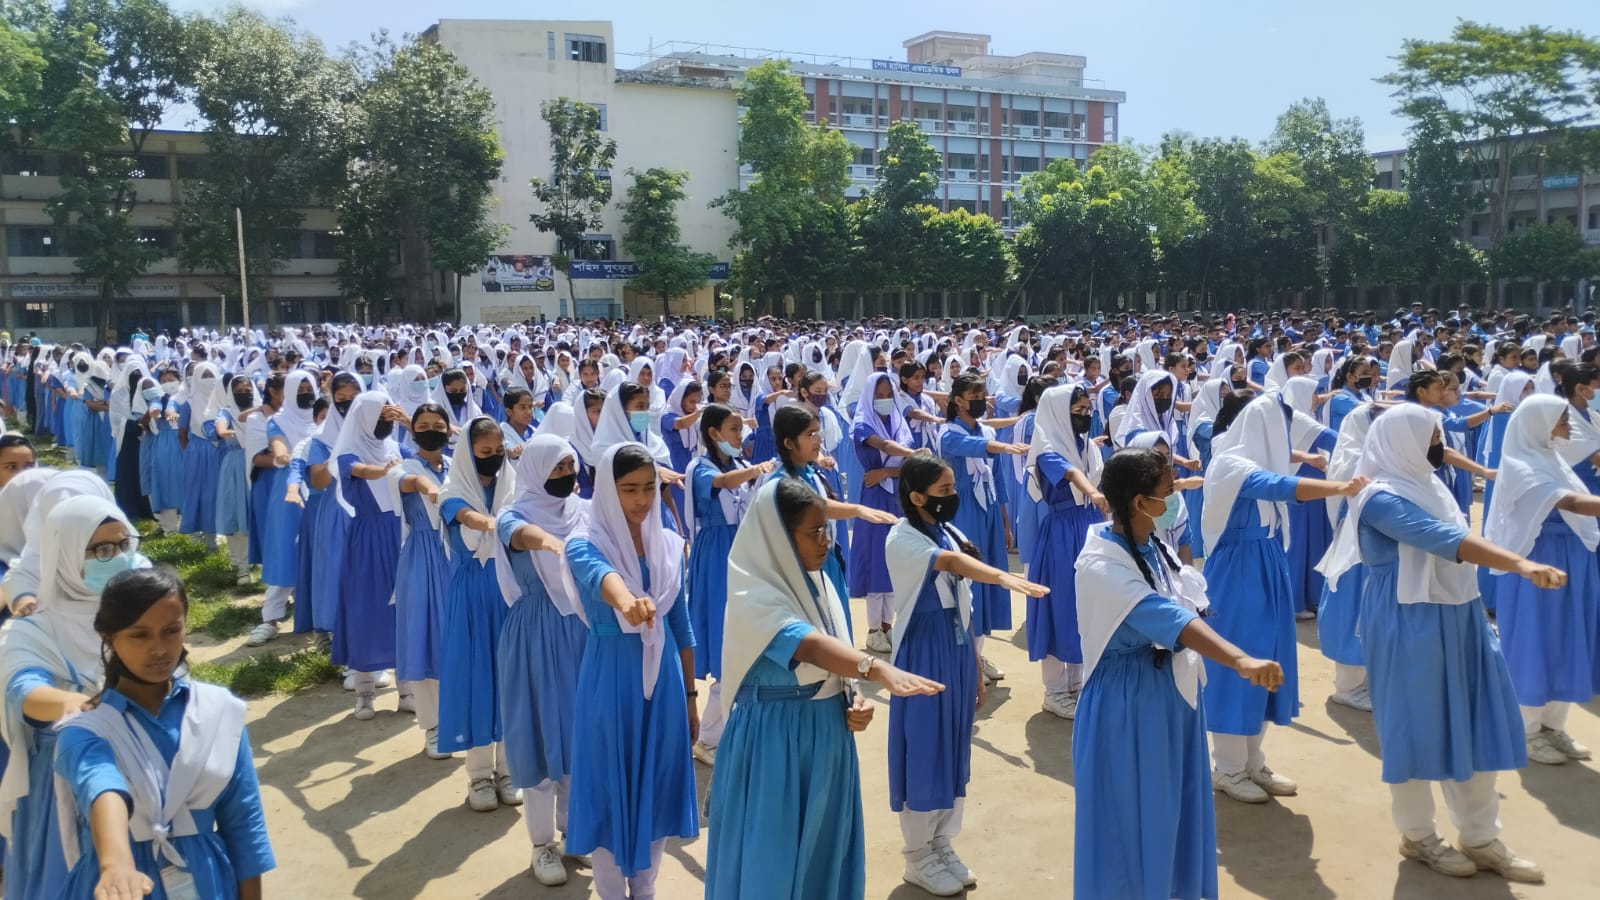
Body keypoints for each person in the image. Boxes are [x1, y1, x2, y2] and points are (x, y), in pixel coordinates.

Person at [1320, 403, 1559, 883]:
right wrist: (1520, 564)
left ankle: (1480, 836)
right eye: (1430, 438)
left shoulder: (1429, 485)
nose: (1440, 447)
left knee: (1474, 718)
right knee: (1415, 723)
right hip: (1407, 618)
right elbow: (1438, 538)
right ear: (1403, 442)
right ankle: (1419, 835)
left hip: (1459, 610)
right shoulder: (1379, 496)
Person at [705, 478, 943, 900]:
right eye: (813, 532)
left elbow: (835, 657)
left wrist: (853, 696)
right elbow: (807, 645)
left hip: (825, 735)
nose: (825, 541)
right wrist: (876, 668)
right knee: (773, 857)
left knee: (823, 850)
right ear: (777, 538)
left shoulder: (819, 585)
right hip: (776, 741)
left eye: (826, 529)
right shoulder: (753, 592)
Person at [1074, 448, 1285, 900]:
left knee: (1175, 808)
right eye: (1167, 491)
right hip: (1129, 703)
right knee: (1136, 817)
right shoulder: (1102, 563)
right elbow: (1169, 619)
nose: (1174, 496)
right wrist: (1240, 661)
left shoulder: (1152, 544)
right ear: (1138, 502)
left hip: (1170, 693)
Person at [52, 567, 276, 899]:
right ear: (108, 636)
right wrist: (116, 864)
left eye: (171, 631)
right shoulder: (86, 730)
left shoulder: (217, 713)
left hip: (210, 884)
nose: (158, 649)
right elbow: (102, 787)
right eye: (139, 635)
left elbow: (244, 825)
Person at [884, 455, 1047, 897]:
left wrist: (974, 669)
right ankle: (917, 854)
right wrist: (1003, 577)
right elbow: (951, 567)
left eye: (953, 487)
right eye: (943, 491)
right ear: (916, 497)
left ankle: (941, 842)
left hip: (955, 646)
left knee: (953, 743)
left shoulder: (946, 529)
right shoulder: (903, 537)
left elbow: (963, 606)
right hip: (923, 648)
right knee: (924, 745)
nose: (951, 497)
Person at [1199, 394, 1366, 804]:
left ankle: (1253, 760)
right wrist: (1340, 486)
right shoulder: (1230, 461)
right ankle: (1228, 766)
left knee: (1270, 655)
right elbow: (1276, 487)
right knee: (1237, 659)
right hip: (1236, 568)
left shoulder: (1252, 458)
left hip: (1266, 560)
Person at [563, 443, 698, 900]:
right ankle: (611, 892)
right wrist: (628, 602)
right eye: (629, 490)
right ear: (606, 490)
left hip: (664, 682)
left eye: (649, 488)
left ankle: (645, 889)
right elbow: (604, 578)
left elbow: (680, 623)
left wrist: (692, 697)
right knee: (608, 785)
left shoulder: (668, 545)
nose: (641, 500)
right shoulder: (584, 544)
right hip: (611, 682)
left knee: (657, 784)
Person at [0, 494, 145, 899]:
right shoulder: (33, 628)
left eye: (122, 545)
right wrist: (87, 707)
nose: (117, 557)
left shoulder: (143, 612)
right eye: (101, 549)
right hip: (67, 773)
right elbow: (23, 691)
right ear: (64, 553)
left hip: (145, 758)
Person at [1481, 395, 1600, 766]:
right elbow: (1571, 503)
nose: (1568, 426)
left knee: (1569, 636)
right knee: (1538, 639)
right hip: (1538, 560)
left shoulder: (1550, 457)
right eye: (1562, 420)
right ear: (1540, 423)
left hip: (1573, 557)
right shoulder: (1520, 464)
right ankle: (1526, 730)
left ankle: (1552, 726)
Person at [496, 435, 589, 886]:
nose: (566, 475)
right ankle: (541, 844)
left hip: (581, 631)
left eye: (570, 465)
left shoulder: (582, 511)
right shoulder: (515, 514)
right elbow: (518, 535)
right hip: (535, 632)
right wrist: (554, 544)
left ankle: (574, 831)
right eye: (556, 468)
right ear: (534, 471)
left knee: (576, 736)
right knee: (538, 735)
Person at [437, 417, 525, 812]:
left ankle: (508, 769)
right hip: (473, 595)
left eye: (498, 451)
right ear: (468, 454)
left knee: (510, 680)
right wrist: (498, 523)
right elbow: (468, 518)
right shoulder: (453, 491)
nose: (493, 458)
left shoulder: (514, 486)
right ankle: (478, 775)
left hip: (510, 594)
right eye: (484, 452)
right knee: (477, 680)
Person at [685, 404, 775, 767]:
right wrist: (757, 469)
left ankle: (725, 731)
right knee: (727, 643)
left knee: (742, 642)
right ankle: (707, 737)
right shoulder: (701, 468)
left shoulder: (736, 467)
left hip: (739, 552)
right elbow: (720, 485)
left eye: (741, 429)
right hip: (717, 558)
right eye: (734, 429)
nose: (740, 436)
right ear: (713, 434)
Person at [937, 373, 1030, 682]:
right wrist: (1001, 447)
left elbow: (997, 481)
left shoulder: (986, 431)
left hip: (988, 513)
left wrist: (1005, 522)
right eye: (974, 395)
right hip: (963, 514)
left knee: (988, 582)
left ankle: (977, 655)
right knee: (968, 583)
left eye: (982, 394)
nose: (980, 400)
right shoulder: (948, 434)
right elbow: (971, 447)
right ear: (958, 401)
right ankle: (965, 659)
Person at [1023, 384, 1107, 719]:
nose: (1085, 416)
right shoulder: (1047, 449)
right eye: (1078, 411)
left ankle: (1079, 683)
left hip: (1089, 527)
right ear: (1060, 412)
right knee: (1061, 606)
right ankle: (1056, 690)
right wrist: (1094, 493)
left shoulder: (1086, 446)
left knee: (1085, 605)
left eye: (1088, 410)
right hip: (1063, 533)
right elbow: (1070, 474)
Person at [331, 391, 407, 720]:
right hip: (367, 539)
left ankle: (407, 691)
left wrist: (408, 422)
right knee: (366, 609)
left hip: (398, 533)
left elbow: (421, 459)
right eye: (381, 418)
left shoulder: (394, 448)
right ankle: (364, 693)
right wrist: (387, 471)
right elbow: (361, 471)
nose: (385, 424)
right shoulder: (348, 452)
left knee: (403, 610)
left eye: (389, 418)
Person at [392, 404, 453, 761]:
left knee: (456, 641)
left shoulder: (459, 467)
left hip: (458, 560)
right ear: (412, 432)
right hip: (423, 560)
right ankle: (432, 725)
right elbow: (410, 483)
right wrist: (430, 488)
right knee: (425, 638)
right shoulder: (405, 467)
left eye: (439, 425)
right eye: (424, 426)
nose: (432, 431)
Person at [849, 372, 924, 654]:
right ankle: (872, 629)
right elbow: (883, 446)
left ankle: (888, 626)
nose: (883, 400)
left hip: (897, 494)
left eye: (887, 394)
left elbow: (903, 465)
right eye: (878, 395)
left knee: (894, 557)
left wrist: (888, 471)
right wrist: (909, 455)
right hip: (875, 495)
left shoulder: (898, 422)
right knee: (874, 559)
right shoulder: (862, 423)